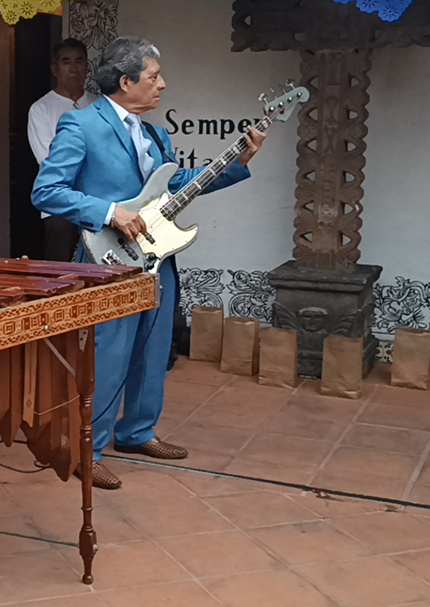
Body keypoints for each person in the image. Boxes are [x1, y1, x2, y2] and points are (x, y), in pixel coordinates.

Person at [32, 36, 266, 489]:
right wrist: (108, 212)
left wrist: (237, 161)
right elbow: (47, 191)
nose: (163, 85)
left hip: (157, 256)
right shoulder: (81, 126)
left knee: (153, 347)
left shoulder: (156, 133)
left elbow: (173, 186)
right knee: (110, 352)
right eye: (154, 77)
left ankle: (136, 431)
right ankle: (88, 448)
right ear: (125, 81)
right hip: (108, 258)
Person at [27, 38, 95, 262]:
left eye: (79, 61)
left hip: (98, 200)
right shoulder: (41, 109)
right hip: (60, 203)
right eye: (66, 62)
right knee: (60, 270)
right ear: (55, 69)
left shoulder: (99, 105)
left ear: (87, 67)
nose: (74, 68)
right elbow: (47, 160)